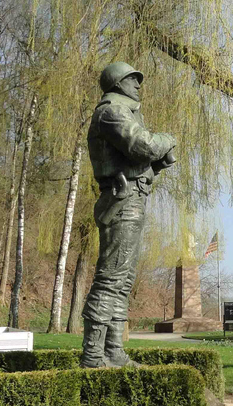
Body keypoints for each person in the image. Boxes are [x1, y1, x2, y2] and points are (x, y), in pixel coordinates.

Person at [81, 62, 176, 368]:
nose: (138, 84)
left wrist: (157, 163)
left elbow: (142, 162)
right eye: (133, 79)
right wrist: (167, 139)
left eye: (139, 78)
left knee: (123, 280)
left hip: (133, 197)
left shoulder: (125, 112)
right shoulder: (111, 112)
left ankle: (113, 351)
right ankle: (93, 356)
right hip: (121, 200)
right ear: (117, 83)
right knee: (110, 279)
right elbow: (142, 146)